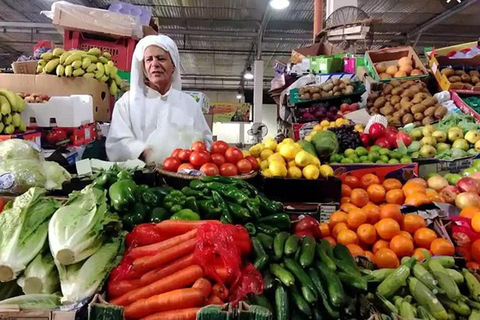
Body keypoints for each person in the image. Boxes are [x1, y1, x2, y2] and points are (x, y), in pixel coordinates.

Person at [106, 35, 212, 163]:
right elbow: (116, 144)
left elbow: (206, 142)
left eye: (161, 59)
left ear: (173, 66)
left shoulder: (189, 104)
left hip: (181, 176)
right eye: (149, 60)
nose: (154, 64)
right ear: (143, 68)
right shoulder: (126, 103)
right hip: (139, 177)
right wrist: (143, 151)